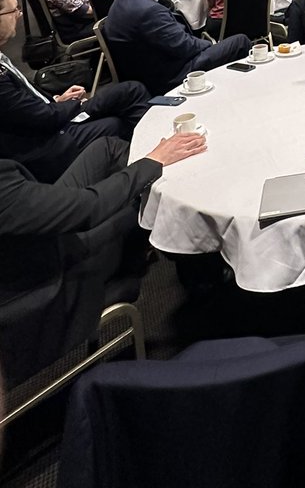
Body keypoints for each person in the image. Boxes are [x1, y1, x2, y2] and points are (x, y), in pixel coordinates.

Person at [0, 132, 206, 389]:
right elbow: (90, 209)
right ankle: (202, 280)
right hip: (46, 278)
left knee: (106, 149)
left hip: (29, 231)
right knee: (141, 211)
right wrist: (155, 161)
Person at [0, 0, 152, 183]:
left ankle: (147, 154)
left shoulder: (3, 59)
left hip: (53, 112)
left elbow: (25, 101)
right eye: (13, 11)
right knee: (115, 123)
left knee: (131, 90)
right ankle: (144, 172)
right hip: (50, 139)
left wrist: (57, 99)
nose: (19, 16)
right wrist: (73, 105)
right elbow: (41, 118)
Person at [104, 0, 251, 91]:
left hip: (139, 70)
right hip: (168, 75)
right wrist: (211, 44)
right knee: (240, 42)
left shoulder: (121, 0)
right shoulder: (150, 11)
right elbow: (184, 46)